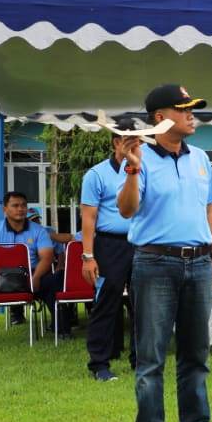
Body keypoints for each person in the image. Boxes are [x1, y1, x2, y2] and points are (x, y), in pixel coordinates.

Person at [117, 83, 212, 422]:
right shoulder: (141, 157)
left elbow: (208, 209)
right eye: (184, 109)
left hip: (198, 262)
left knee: (196, 351)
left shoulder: (200, 158)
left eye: (192, 108)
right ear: (160, 118)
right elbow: (127, 210)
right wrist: (133, 171)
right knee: (151, 353)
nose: (191, 115)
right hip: (155, 262)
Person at [80, 123, 138, 381]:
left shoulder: (143, 170)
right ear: (117, 143)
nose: (139, 146)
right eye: (133, 141)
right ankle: (100, 364)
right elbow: (88, 218)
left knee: (145, 303)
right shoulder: (96, 174)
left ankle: (141, 360)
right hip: (109, 245)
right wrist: (88, 256)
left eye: (140, 141)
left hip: (142, 243)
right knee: (106, 302)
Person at [0, 191, 58, 343]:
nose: (20, 209)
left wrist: (36, 277)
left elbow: (47, 257)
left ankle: (61, 329)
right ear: (5, 209)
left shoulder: (38, 230)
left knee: (53, 281)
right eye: (15, 205)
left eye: (23, 205)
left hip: (31, 275)